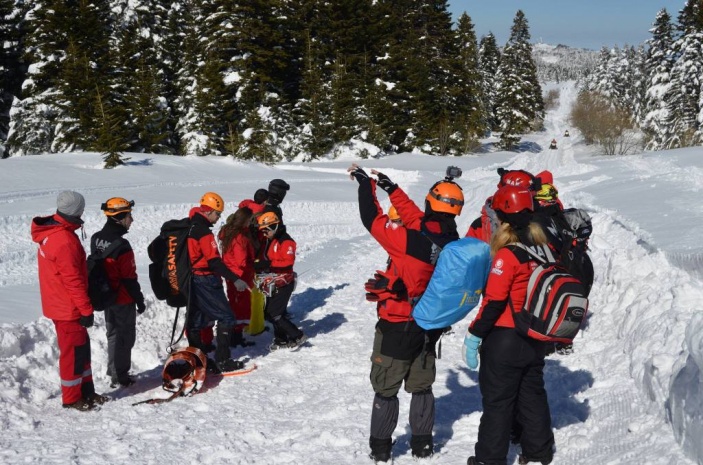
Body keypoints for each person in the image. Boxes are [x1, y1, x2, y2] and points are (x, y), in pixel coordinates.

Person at [348, 163, 463, 462]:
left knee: (386, 388)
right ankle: (423, 445)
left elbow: (371, 218)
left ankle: (381, 448)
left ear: (431, 202)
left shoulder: (408, 241)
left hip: (398, 325)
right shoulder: (451, 239)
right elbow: (416, 217)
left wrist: (365, 184)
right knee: (421, 387)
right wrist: (391, 188)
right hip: (430, 326)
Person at [464, 185, 555, 465]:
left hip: (505, 339)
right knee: (532, 396)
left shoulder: (508, 255)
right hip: (535, 336)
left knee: (498, 403)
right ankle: (538, 453)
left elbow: (493, 302)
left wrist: (474, 335)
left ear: (504, 219)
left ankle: (489, 459)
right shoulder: (545, 248)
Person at [30, 191, 109, 411]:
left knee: (81, 350)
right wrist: (85, 309)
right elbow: (72, 281)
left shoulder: (57, 231)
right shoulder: (63, 240)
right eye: (81, 209)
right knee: (73, 354)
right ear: (75, 211)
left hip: (63, 304)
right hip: (68, 308)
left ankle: (87, 391)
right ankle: (72, 397)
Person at [186, 192, 248, 373]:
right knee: (227, 317)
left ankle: (198, 359)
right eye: (217, 214)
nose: (218, 218)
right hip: (205, 279)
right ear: (209, 211)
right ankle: (223, 360)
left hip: (193, 279)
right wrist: (235, 279)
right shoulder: (203, 233)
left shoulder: (190, 226)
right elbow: (214, 261)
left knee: (196, 321)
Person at [90, 197, 146, 388]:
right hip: (122, 298)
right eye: (129, 215)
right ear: (119, 218)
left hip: (106, 296)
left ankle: (113, 369)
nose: (132, 220)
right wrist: (139, 300)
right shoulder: (122, 246)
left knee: (113, 333)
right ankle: (120, 376)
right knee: (125, 336)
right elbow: (130, 278)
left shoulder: (96, 238)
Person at [254, 211, 306, 350]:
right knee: (272, 312)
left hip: (285, 281)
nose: (265, 235)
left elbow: (288, 262)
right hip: (275, 280)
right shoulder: (273, 240)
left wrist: (268, 264)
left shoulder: (286, 241)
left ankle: (297, 335)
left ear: (273, 227)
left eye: (266, 231)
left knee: (275, 313)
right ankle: (281, 339)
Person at [220, 206, 257, 347]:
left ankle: (233, 334)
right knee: (242, 306)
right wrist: (253, 266)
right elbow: (241, 260)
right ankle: (236, 336)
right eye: (249, 220)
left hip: (230, 274)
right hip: (241, 276)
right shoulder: (240, 237)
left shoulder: (227, 232)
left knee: (233, 303)